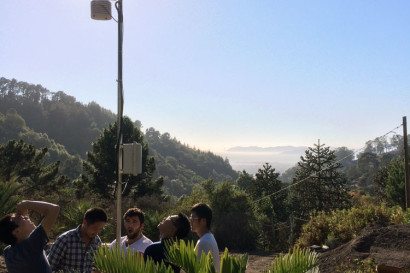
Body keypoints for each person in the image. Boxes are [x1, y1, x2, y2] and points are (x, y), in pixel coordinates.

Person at [0, 200, 60, 273]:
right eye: (23, 218)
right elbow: (54, 209)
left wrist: (20, 216)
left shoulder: (8, 252)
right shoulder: (31, 246)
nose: (27, 218)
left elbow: (24, 230)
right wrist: (26, 203)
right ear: (16, 231)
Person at [48, 207, 107, 273]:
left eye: (100, 229)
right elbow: (48, 267)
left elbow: (97, 267)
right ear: (85, 223)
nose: (97, 232)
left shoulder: (97, 242)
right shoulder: (65, 240)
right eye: (94, 228)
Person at [190, 203, 220, 273]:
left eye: (193, 218)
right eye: (190, 218)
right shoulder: (207, 238)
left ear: (203, 220)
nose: (190, 221)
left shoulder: (204, 242)